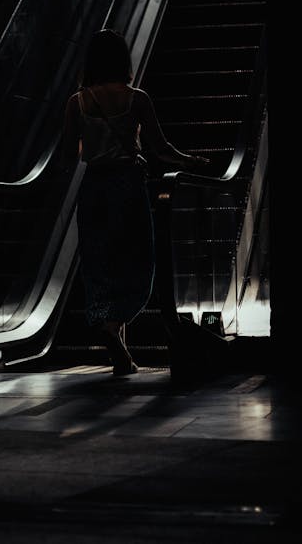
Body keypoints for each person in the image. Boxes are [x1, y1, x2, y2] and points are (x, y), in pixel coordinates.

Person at [61, 29, 208, 376]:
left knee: (100, 262)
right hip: (127, 185)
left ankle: (113, 340)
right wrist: (190, 161)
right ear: (122, 60)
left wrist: (93, 142)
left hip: (94, 188)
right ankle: (115, 328)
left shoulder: (76, 102)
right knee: (137, 259)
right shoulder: (136, 98)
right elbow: (160, 148)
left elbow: (70, 154)